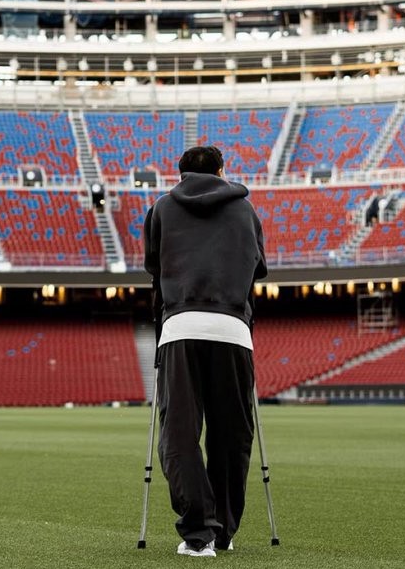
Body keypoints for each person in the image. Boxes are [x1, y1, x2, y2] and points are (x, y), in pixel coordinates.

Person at [144, 145, 267, 557]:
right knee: (232, 433)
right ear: (222, 171)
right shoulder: (245, 210)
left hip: (180, 325)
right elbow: (257, 268)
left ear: (180, 175)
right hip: (232, 329)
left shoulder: (162, 208)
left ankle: (199, 533)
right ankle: (225, 531)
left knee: (179, 433)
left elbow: (154, 268)